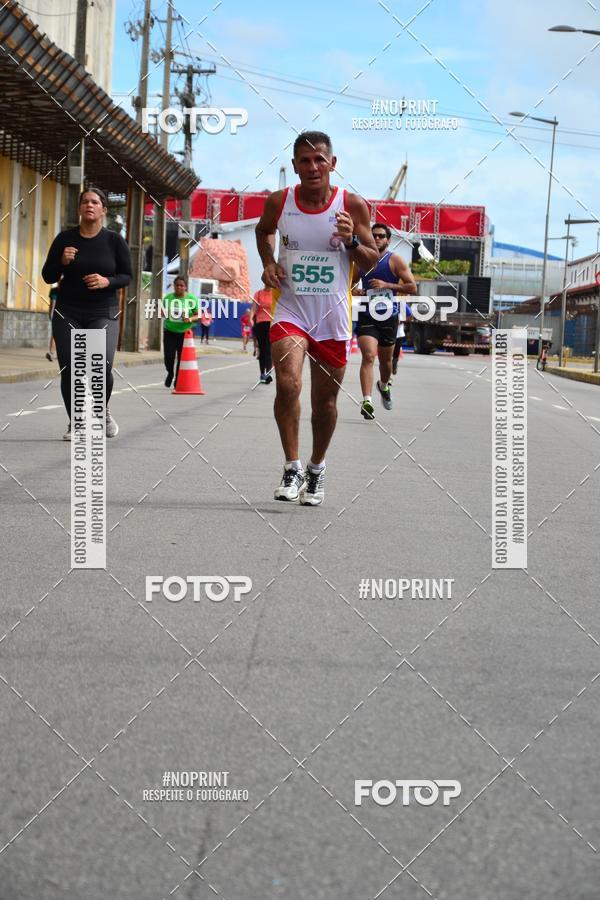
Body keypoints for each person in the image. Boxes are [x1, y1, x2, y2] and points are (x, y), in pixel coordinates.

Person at [255, 130, 378, 505]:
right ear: (294, 166)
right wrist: (269, 263)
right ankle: (291, 467)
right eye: (305, 161)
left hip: (331, 316)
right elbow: (263, 231)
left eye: (319, 160)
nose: (312, 167)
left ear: (332, 163)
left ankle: (316, 468)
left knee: (324, 404)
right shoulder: (280, 202)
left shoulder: (351, 205)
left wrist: (352, 241)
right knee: (288, 384)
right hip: (291, 309)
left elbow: (371, 261)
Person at [42, 187, 132, 440]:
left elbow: (127, 276)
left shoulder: (115, 241)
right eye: (85, 202)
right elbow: (48, 275)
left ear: (103, 209)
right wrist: (61, 261)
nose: (89, 205)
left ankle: (101, 411)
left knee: (100, 366)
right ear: (79, 208)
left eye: (95, 202)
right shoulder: (64, 239)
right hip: (68, 311)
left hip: (103, 311)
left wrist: (107, 282)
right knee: (70, 368)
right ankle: (77, 423)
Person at [356, 223, 416, 420]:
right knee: (368, 356)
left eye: (381, 236)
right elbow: (348, 284)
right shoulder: (362, 261)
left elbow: (411, 287)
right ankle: (367, 401)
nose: (377, 239)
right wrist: (355, 290)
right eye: (374, 236)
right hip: (367, 315)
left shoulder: (395, 260)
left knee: (386, 362)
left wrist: (386, 285)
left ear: (388, 240)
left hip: (389, 317)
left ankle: (383, 385)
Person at [162, 276, 200, 388]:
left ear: (185, 287)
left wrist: (189, 318)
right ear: (173, 286)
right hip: (169, 331)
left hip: (185, 333)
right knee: (169, 357)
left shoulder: (192, 299)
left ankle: (177, 380)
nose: (179, 287)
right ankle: (170, 372)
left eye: (182, 285)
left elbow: (198, 315)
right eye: (177, 285)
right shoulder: (168, 298)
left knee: (181, 359)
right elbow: (162, 313)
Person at [251, 287, 273, 384]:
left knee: (269, 349)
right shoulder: (258, 293)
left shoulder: (276, 293)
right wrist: (250, 318)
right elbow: (253, 309)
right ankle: (262, 373)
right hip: (260, 324)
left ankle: (268, 373)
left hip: (272, 324)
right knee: (262, 350)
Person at [46, 284, 59, 362]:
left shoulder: (67, 290)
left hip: (65, 315)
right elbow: (51, 303)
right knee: (55, 334)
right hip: (55, 315)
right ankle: (52, 353)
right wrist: (50, 313)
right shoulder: (54, 290)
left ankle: (56, 353)